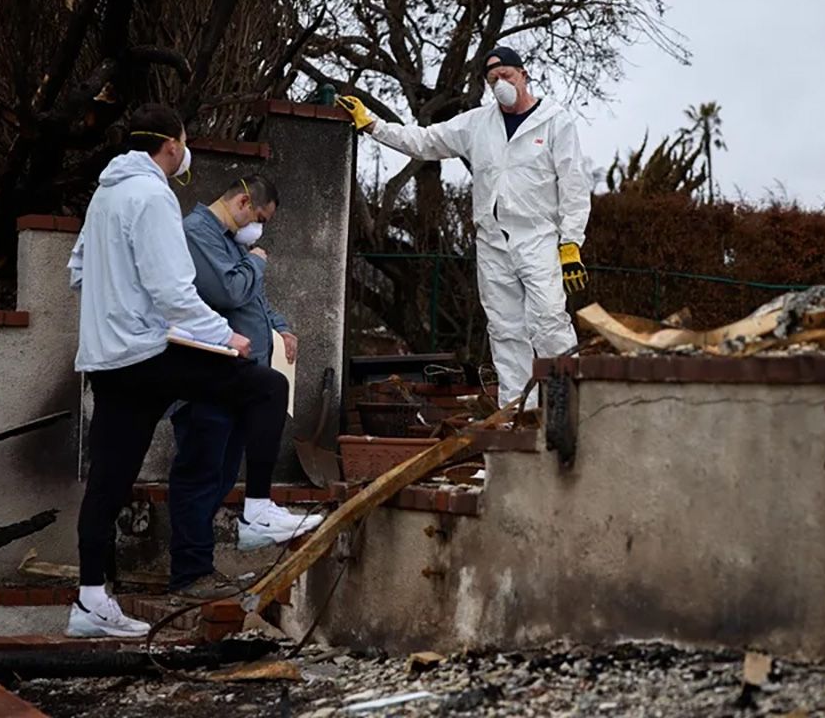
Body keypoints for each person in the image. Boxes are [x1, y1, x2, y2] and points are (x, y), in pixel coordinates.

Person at [65, 104, 292, 637]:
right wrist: (222, 336)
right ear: (171, 145)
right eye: (184, 143)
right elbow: (173, 290)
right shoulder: (153, 196)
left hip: (106, 360)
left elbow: (78, 271)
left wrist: (115, 300)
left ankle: (90, 600)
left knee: (109, 480)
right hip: (146, 354)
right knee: (265, 385)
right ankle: (257, 509)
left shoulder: (106, 195)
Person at [336, 46, 591, 407]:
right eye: (492, 80)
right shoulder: (477, 124)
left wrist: (571, 243)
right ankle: (517, 413)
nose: (500, 84)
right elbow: (426, 141)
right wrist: (374, 125)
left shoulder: (555, 121)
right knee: (504, 330)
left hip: (538, 238)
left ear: (523, 74)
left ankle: (568, 409)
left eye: (506, 76)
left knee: (549, 321)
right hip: (492, 241)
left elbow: (573, 184)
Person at [167, 175, 323, 599]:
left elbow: (254, 299)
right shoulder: (198, 234)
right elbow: (230, 291)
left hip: (235, 373)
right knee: (200, 472)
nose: (260, 229)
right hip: (207, 373)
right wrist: (255, 261)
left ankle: (201, 566)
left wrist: (280, 327)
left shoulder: (228, 238)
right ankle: (189, 571)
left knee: (218, 477)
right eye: (260, 218)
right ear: (242, 201)